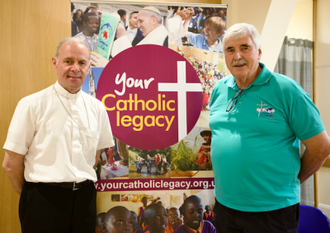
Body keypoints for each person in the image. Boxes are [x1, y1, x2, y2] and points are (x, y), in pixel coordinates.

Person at [209, 23, 330, 233]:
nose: (237, 55)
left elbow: (321, 147)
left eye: (245, 47)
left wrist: (293, 180)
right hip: (226, 208)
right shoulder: (219, 89)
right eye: (230, 49)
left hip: (273, 212)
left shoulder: (286, 90)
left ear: (259, 52)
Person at [2, 37, 114, 232]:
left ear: (88, 67)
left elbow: (94, 158)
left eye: (81, 63)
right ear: (55, 63)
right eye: (68, 61)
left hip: (84, 200)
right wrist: (34, 195)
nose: (75, 69)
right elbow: (11, 163)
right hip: (43, 201)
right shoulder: (31, 105)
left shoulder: (97, 108)